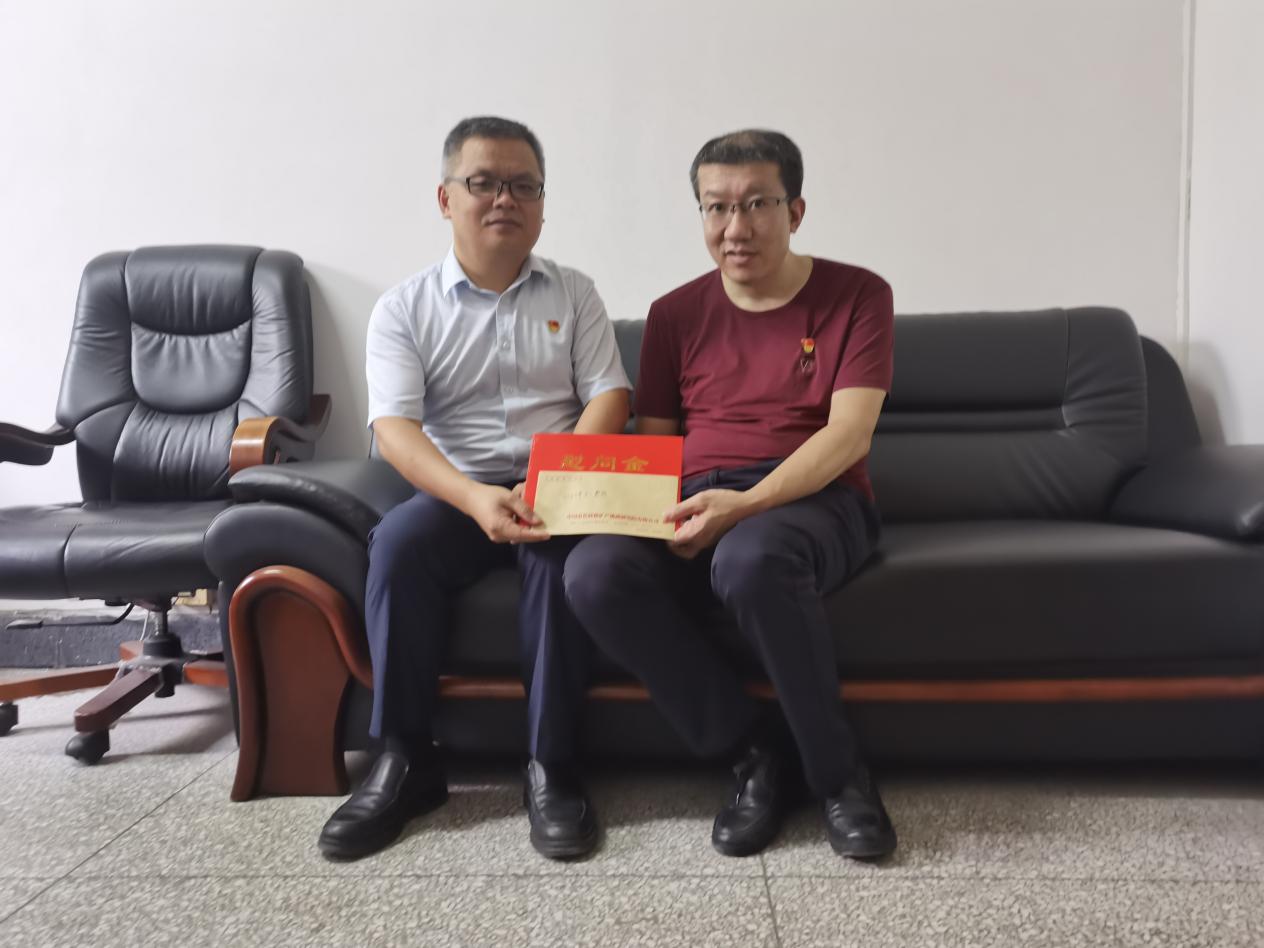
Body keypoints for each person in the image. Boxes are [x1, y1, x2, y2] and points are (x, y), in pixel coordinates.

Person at [564, 129, 896, 859]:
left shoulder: (858, 296)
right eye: (716, 207)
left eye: (756, 204)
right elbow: (656, 443)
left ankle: (839, 776)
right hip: (696, 497)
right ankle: (753, 754)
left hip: (814, 502)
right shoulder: (675, 313)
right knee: (593, 572)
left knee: (750, 559)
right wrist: (620, 509)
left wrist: (743, 507)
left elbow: (848, 437)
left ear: (795, 211)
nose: (735, 227)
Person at [318, 116, 630, 861]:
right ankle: (405, 760)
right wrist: (472, 497)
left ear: (542, 203)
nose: (504, 199)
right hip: (455, 492)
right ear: (445, 198)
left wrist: (554, 480)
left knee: (557, 559)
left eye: (523, 185)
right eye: (483, 182)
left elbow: (610, 397)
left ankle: (551, 766)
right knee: (397, 546)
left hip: (554, 487)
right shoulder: (403, 308)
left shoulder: (575, 293)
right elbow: (395, 428)